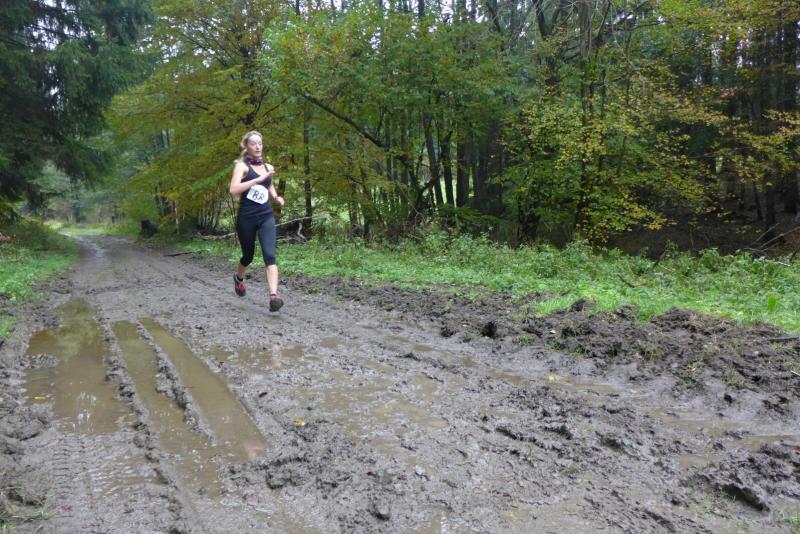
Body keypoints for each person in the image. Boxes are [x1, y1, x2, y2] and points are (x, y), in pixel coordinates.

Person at [229, 130, 285, 312]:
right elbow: (233, 190)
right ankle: (239, 278)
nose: (258, 146)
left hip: (265, 216)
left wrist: (276, 197)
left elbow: (269, 183)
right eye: (253, 144)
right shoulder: (242, 166)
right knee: (248, 256)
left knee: (270, 255)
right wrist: (256, 180)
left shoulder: (268, 167)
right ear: (246, 146)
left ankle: (274, 297)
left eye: (260, 143)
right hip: (246, 218)